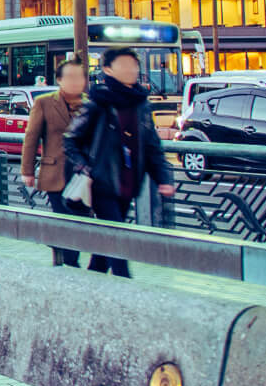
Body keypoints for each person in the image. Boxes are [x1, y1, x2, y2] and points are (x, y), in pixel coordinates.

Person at [61, 47, 176, 278]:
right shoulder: (98, 102)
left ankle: (92, 280)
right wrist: (88, 169)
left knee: (107, 241)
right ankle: (126, 286)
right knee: (117, 237)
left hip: (129, 181)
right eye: (123, 65)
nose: (130, 70)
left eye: (133, 65)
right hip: (102, 182)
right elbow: (70, 140)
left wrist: (162, 179)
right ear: (107, 70)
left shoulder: (141, 104)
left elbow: (152, 146)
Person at [21, 56, 91, 266]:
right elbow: (32, 136)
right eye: (69, 77)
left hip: (83, 174)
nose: (75, 81)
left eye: (79, 77)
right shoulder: (44, 103)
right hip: (56, 171)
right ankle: (69, 261)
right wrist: (27, 170)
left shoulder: (90, 105)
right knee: (64, 217)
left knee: (81, 220)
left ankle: (69, 257)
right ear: (59, 80)